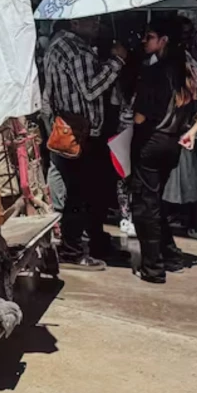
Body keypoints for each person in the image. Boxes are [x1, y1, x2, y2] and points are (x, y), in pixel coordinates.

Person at [131, 19, 197, 283]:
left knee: (145, 205)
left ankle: (153, 267)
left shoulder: (156, 72)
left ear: (163, 40)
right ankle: (169, 254)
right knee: (155, 201)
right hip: (172, 144)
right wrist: (191, 129)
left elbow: (140, 116)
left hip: (150, 141)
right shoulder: (186, 68)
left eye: (149, 36)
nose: (144, 41)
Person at [41, 16, 126, 270]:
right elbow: (90, 89)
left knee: (81, 191)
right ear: (75, 23)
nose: (96, 25)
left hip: (67, 126)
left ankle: (84, 241)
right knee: (80, 193)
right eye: (91, 22)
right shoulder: (76, 50)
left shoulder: (57, 45)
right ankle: (73, 249)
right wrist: (116, 61)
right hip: (80, 131)